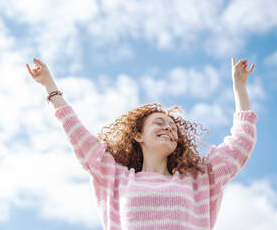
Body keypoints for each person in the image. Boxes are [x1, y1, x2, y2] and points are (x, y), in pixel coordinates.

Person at [26, 57, 257, 230]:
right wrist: (50, 87)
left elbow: (241, 143)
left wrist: (239, 87)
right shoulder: (115, 178)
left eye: (173, 128)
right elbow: (77, 134)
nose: (168, 128)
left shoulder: (200, 179)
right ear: (138, 135)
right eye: (159, 123)